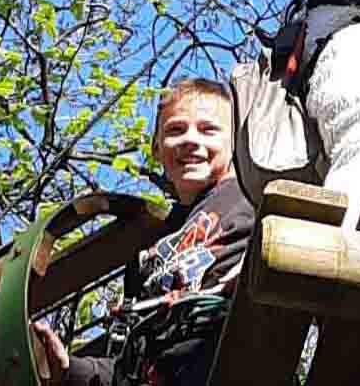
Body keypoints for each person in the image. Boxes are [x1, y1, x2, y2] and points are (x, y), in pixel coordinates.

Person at [33, 78, 254, 386]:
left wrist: (254, 266)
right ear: (156, 149)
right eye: (176, 130)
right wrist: (71, 370)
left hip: (224, 359)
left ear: (237, 143)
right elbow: (129, 364)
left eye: (208, 129)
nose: (190, 140)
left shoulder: (250, 195)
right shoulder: (149, 252)